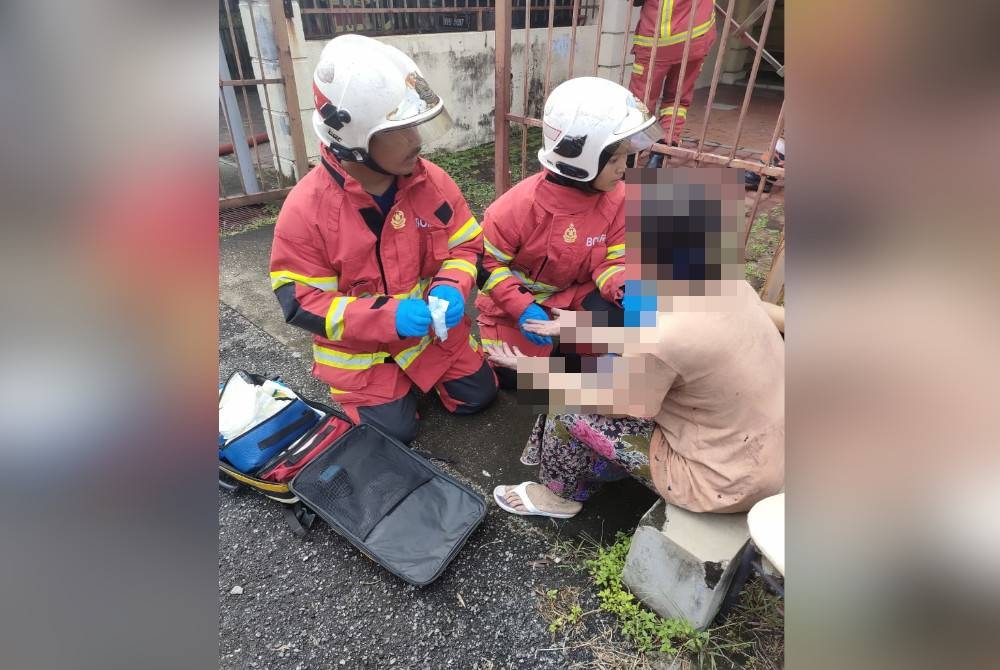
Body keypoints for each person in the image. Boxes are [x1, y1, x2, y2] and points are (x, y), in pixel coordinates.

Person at [485, 168, 784, 517]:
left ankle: (559, 497)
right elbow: (667, 337)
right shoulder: (728, 285)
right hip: (770, 449)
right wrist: (580, 328)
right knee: (598, 367)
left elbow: (613, 398)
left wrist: (531, 371)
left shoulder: (664, 337)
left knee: (560, 403)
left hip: (724, 482)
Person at [269, 35, 497, 444]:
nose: (417, 140)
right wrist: (386, 317)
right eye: (400, 128)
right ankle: (388, 393)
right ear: (355, 139)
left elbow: (466, 246)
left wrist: (451, 285)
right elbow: (300, 300)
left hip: (431, 337)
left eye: (414, 125)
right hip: (362, 355)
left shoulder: (433, 182)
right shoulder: (305, 209)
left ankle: (419, 382)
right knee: (393, 435)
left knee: (478, 397)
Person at [475, 76, 663, 388]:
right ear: (582, 159)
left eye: (625, 157)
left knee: (630, 323)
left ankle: (573, 348)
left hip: (573, 297)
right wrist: (523, 309)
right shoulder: (515, 208)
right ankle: (560, 347)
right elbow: (488, 266)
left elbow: (613, 260)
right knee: (514, 378)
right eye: (614, 159)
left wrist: (626, 287)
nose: (624, 168)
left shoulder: (619, 198)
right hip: (517, 306)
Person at [628, 0, 718, 167]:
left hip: (657, 38)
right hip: (697, 37)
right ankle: (661, 152)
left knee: (641, 98)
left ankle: (632, 151)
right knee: (677, 99)